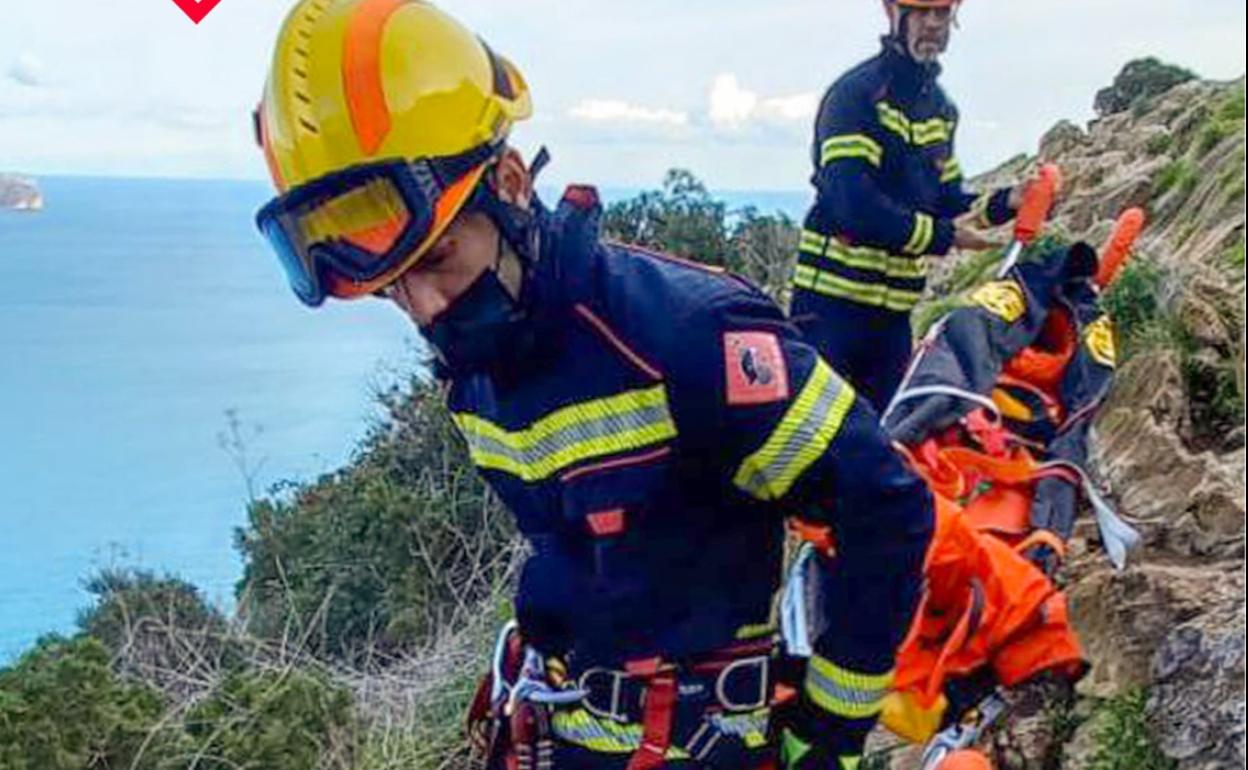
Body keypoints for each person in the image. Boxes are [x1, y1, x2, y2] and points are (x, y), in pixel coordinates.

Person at [252, 2, 933, 768]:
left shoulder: (689, 336)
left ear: (509, 183)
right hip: (556, 731)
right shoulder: (476, 369)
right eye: (389, 289)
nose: (424, 310)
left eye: (437, 261)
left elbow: (886, 507)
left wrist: (830, 731)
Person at [789, 0, 1029, 411]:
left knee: (886, 445)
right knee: (815, 449)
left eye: (941, 13)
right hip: (831, 313)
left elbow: (948, 201)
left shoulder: (940, 109)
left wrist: (1008, 202)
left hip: (894, 320)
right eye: (921, 12)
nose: (933, 24)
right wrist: (944, 236)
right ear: (891, 12)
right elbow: (854, 206)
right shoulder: (856, 95)